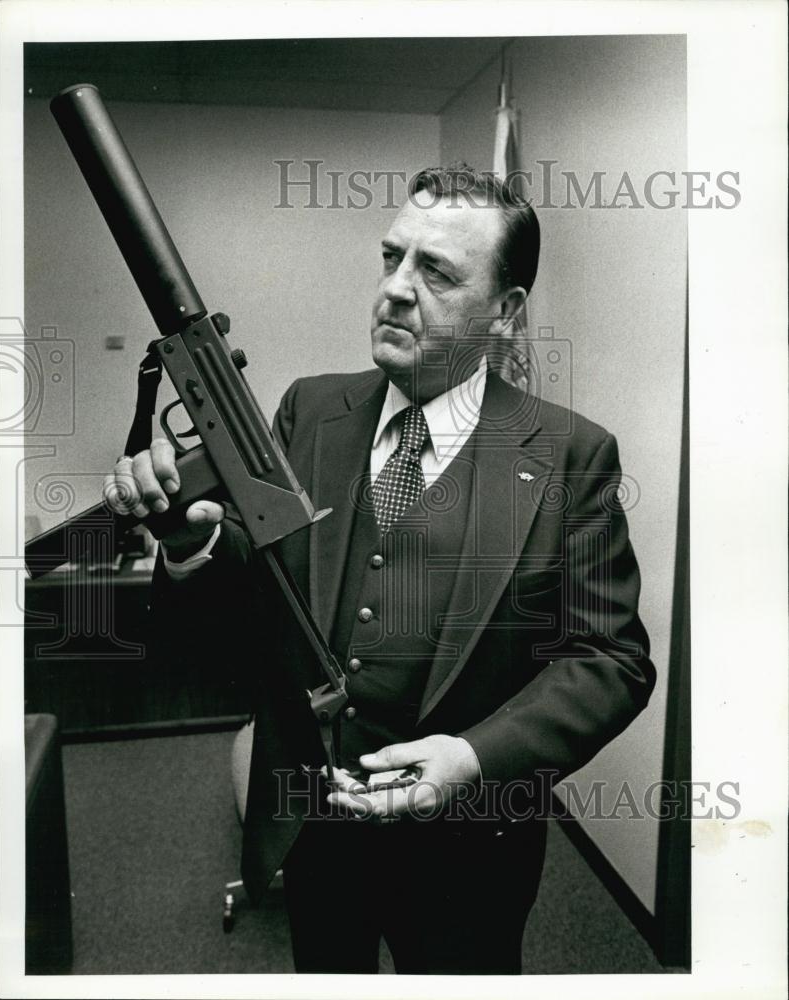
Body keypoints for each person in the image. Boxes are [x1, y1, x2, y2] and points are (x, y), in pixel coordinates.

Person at [104, 165, 656, 974]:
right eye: (392, 257)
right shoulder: (309, 412)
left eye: (435, 271)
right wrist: (188, 546)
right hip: (313, 823)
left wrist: (472, 760)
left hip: (470, 846)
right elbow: (255, 603)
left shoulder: (569, 455)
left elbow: (610, 660)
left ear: (505, 314)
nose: (396, 289)